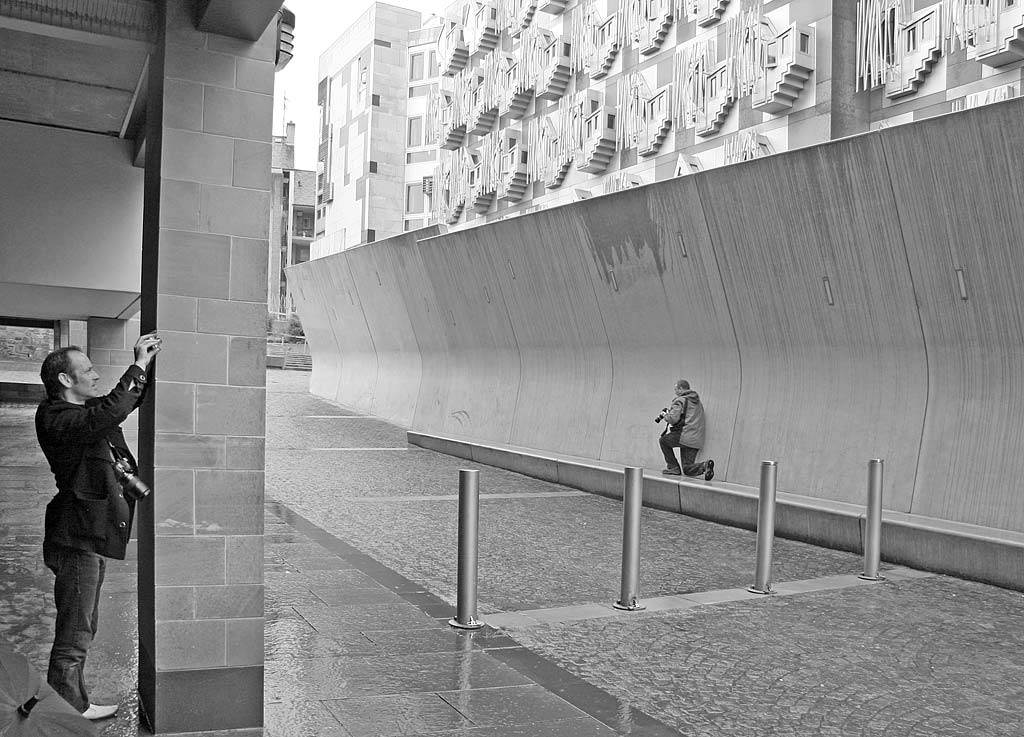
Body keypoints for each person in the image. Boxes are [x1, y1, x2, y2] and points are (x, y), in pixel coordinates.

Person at [35, 332, 162, 720]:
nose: (95, 374)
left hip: (85, 533)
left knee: (84, 624)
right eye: (87, 369)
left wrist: (145, 369)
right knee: (75, 632)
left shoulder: (84, 411)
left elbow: (117, 405)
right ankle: (68, 711)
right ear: (65, 380)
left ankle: (73, 703)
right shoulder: (57, 416)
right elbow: (107, 413)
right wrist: (137, 365)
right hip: (74, 536)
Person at [658, 378, 714, 480]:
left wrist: (666, 415)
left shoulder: (680, 400)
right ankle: (705, 465)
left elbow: (673, 419)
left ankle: (673, 467)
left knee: (663, 441)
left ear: (680, 388)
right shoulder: (698, 403)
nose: (675, 392)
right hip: (696, 439)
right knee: (687, 468)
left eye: (675, 389)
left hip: (684, 435)